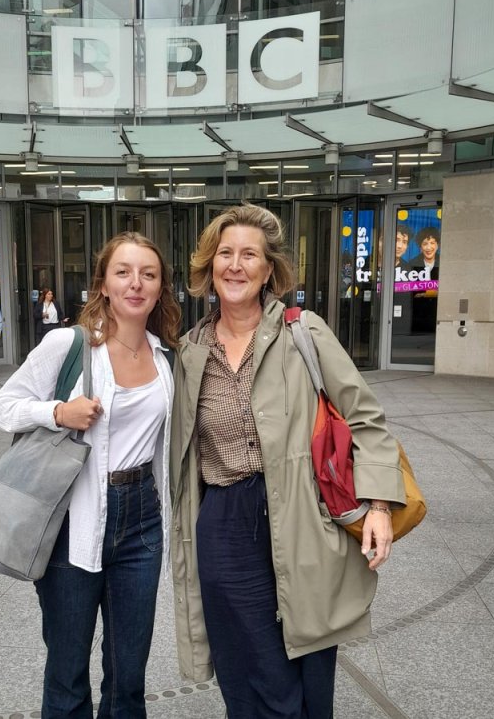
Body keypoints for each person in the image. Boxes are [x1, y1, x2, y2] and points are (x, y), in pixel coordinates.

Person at [170, 204, 405, 718]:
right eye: (224, 254)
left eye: (249, 254)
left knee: (306, 662)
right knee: (243, 666)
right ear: (209, 267)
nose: (235, 265)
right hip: (224, 521)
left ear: (269, 269)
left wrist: (381, 505)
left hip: (301, 512)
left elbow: (365, 418)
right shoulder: (190, 351)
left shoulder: (304, 332)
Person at [0, 232, 181, 718]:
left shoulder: (166, 359)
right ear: (104, 283)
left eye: (148, 274)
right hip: (73, 519)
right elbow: (2, 407)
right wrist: (58, 412)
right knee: (68, 670)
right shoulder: (68, 343)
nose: (136, 283)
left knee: (129, 675)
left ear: (160, 288)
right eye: (123, 272)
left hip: (142, 522)